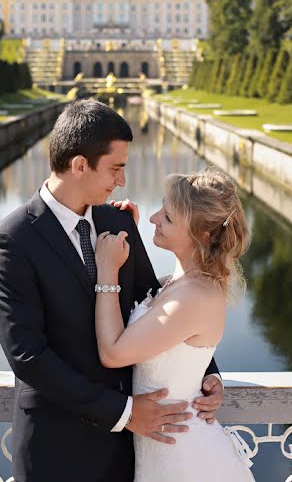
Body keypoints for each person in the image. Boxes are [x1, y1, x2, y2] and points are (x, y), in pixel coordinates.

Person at [0, 99, 224, 482]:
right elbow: (27, 355)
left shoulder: (117, 220)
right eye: (115, 168)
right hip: (58, 448)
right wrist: (123, 412)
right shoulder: (11, 241)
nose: (122, 181)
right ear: (80, 165)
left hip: (133, 449)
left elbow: (158, 307)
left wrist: (205, 371)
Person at [94, 167, 256, 481]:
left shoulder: (195, 295)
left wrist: (107, 270)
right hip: (164, 450)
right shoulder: (179, 282)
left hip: (185, 459)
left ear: (203, 235)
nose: (155, 218)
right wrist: (132, 236)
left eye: (167, 217)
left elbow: (113, 353)